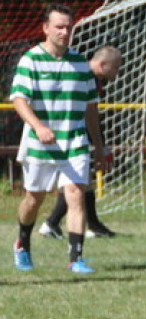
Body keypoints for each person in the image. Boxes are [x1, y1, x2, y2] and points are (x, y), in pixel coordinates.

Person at [10, 3, 106, 273]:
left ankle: (76, 258)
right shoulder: (31, 60)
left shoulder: (80, 63)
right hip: (40, 144)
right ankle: (23, 243)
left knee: (76, 193)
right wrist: (38, 126)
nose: (65, 32)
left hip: (74, 141)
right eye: (59, 27)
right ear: (45, 28)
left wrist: (98, 146)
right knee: (34, 199)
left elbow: (90, 108)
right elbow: (18, 100)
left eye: (68, 27)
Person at [39, 44, 122, 240]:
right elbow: (86, 112)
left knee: (82, 183)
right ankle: (51, 223)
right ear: (102, 64)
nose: (117, 72)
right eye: (116, 67)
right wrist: (99, 145)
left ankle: (90, 225)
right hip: (66, 136)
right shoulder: (83, 74)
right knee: (76, 183)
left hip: (74, 136)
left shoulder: (89, 76)